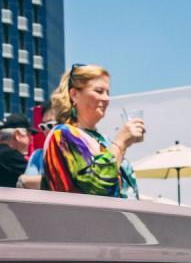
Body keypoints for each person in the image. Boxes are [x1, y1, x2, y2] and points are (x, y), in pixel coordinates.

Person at [42, 64, 143, 198]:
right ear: (74, 95)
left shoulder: (103, 139)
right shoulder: (63, 134)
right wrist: (121, 142)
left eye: (108, 93)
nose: (106, 98)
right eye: (99, 91)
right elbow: (97, 187)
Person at [0, 114, 36, 188]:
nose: (31, 140)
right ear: (17, 135)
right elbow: (39, 178)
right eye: (29, 135)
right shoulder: (9, 156)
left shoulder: (0, 155)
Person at [17, 101, 57, 190]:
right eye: (43, 126)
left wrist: (23, 179)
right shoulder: (38, 155)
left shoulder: (77, 151)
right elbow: (28, 188)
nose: (46, 131)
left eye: (50, 125)